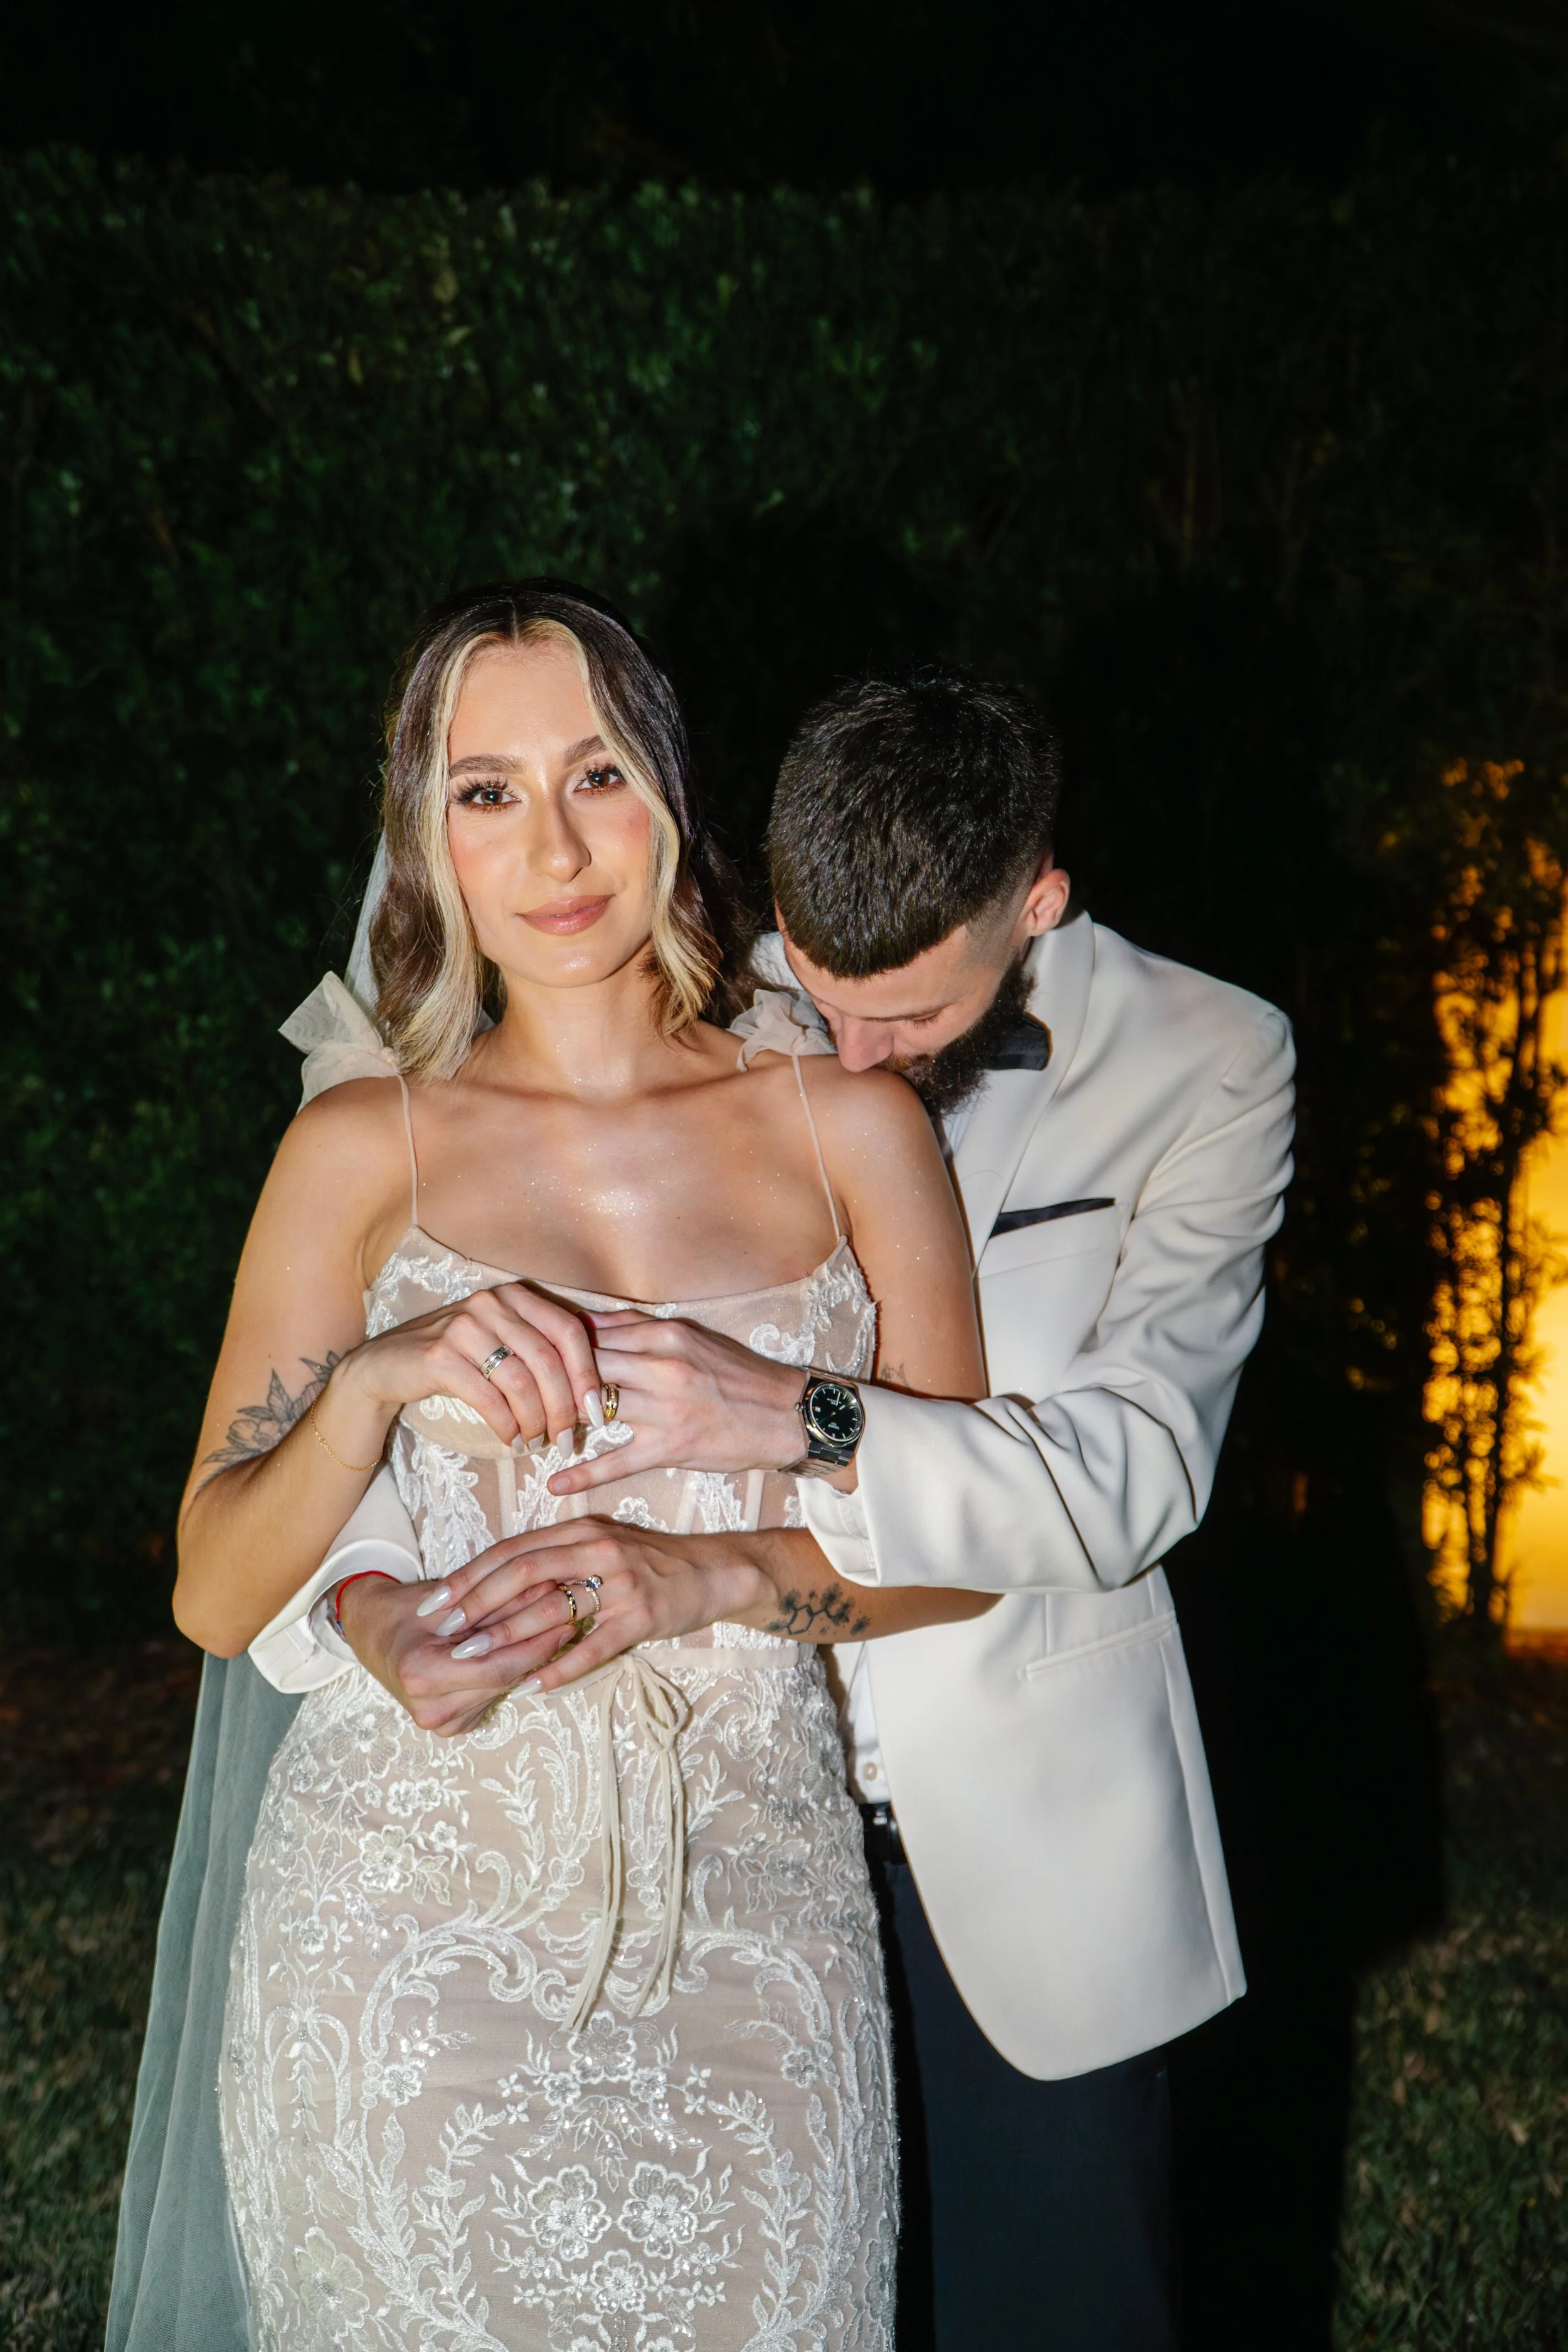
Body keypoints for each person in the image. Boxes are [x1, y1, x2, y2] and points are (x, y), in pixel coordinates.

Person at [365, 666, 1296, 2349]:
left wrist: (796, 1412)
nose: (851, 1054)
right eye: (820, 991)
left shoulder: (1209, 1059)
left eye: (909, 1023)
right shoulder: (701, 971)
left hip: (1014, 1846)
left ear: (1037, 900)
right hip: (700, 1851)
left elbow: (1135, 1475)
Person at [117, 583, 990, 2352]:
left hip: (751, 1908)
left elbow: (963, 1543)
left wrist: (719, 1576)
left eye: (594, 772)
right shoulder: (363, 1151)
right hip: (406, 1935)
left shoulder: (851, 1132)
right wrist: (370, 1380)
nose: (552, 844)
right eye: (485, 789)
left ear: (669, 790)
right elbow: (216, 1586)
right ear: (423, 838)